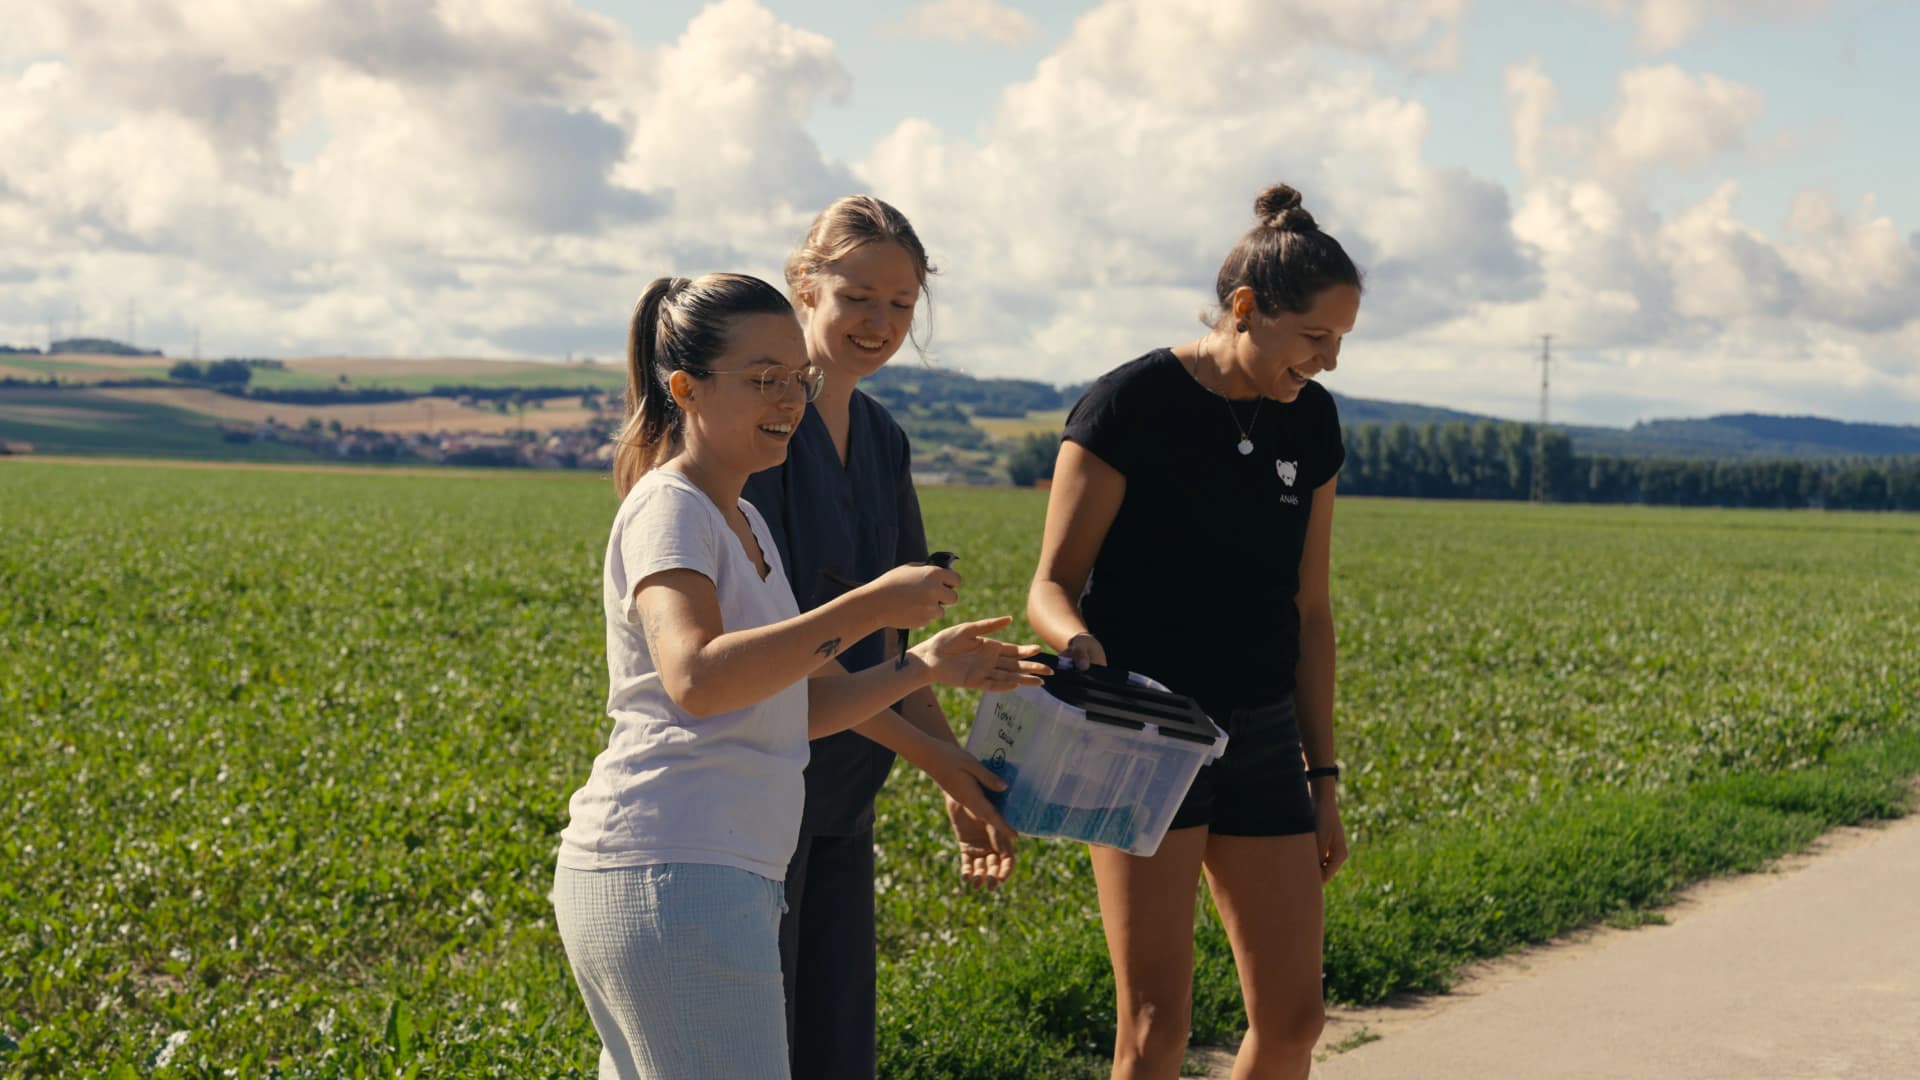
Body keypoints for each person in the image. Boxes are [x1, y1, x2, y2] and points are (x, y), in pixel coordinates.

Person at [552, 272, 1048, 1079]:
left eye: (796, 378)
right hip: (673, 869)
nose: (789, 398)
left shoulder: (741, 517)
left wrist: (921, 664)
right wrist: (862, 608)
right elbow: (698, 679)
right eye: (762, 380)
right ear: (686, 388)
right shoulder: (669, 507)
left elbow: (796, 704)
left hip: (709, 870)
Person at [1026, 183, 1362, 1080]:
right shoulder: (1128, 405)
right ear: (1246, 309)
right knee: (1155, 1028)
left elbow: (1310, 612)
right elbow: (1052, 585)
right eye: (1314, 339)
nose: (1327, 363)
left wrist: (1321, 776)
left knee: (1294, 1020)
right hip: (1142, 733)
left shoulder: (1315, 422)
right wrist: (1077, 644)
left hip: (1260, 736)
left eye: (1340, 343)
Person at [742, 194, 1018, 1080]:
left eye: (901, 305)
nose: (880, 322)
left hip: (847, 794)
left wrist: (950, 773)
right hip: (758, 792)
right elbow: (790, 667)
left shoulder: (884, 438)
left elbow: (902, 652)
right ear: (804, 286)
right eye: (859, 296)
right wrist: (941, 761)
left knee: (834, 1051)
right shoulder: (762, 434)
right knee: (757, 1050)